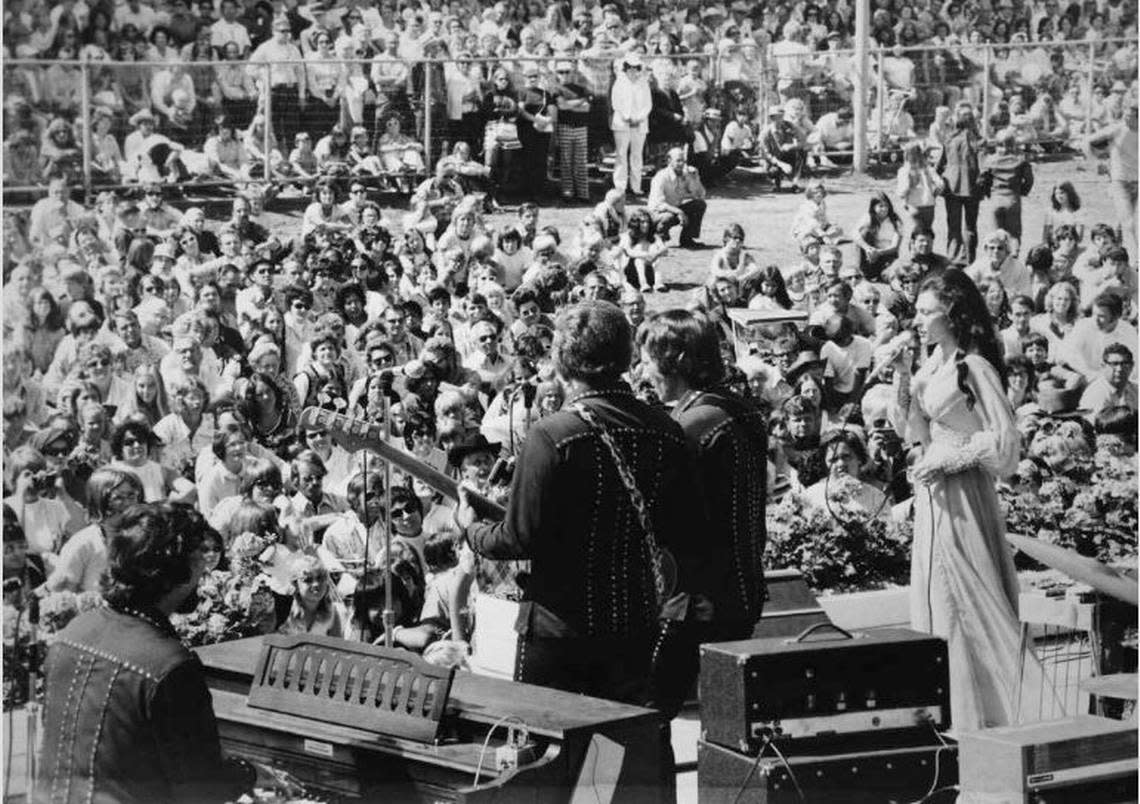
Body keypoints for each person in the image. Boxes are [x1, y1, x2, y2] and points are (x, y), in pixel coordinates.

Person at [455, 301, 699, 706]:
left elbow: (517, 540)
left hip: (559, 630)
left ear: (562, 360)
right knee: (628, 750)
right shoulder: (667, 431)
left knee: (545, 752)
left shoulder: (551, 434)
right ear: (625, 355)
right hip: (634, 622)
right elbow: (680, 531)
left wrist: (471, 528)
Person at [38, 503, 250, 803]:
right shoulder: (171, 665)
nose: (205, 568)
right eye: (199, 556)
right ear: (175, 570)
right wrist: (247, 774)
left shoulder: (72, 633)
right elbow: (201, 792)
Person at [888, 270, 1025, 732]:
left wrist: (951, 461)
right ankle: (950, 716)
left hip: (964, 493)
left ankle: (992, 717)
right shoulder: (932, 367)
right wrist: (902, 378)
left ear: (953, 315)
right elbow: (915, 432)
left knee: (969, 596)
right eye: (918, 311)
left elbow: (1004, 445)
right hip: (933, 496)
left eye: (929, 312)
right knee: (940, 598)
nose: (919, 320)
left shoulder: (975, 367)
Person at [636, 308, 767, 715]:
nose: (642, 370)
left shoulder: (690, 426)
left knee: (651, 713)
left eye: (646, 358)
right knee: (727, 718)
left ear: (674, 360)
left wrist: (702, 592)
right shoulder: (741, 409)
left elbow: (687, 522)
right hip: (740, 590)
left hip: (699, 601)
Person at [1083, 93, 1138, 257]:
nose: (1126, 117)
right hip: (1120, 182)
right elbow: (1086, 141)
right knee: (1128, 222)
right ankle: (1135, 258)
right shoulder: (1117, 129)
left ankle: (1120, 252)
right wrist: (1096, 162)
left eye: (1131, 115)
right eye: (1125, 113)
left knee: (1131, 222)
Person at [937, 101, 984, 264]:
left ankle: (953, 259)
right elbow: (985, 167)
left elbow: (940, 163)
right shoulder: (979, 140)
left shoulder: (949, 139)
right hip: (973, 187)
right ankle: (971, 260)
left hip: (951, 186)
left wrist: (937, 179)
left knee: (953, 226)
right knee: (971, 227)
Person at [610, 52, 652, 197]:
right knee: (621, 155)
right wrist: (627, 117)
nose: (633, 71)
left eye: (636, 68)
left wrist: (638, 118)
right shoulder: (619, 83)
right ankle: (620, 187)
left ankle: (636, 187)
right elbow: (616, 104)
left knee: (637, 155)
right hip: (622, 123)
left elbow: (648, 105)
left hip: (640, 124)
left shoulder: (644, 83)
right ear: (625, 68)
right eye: (630, 68)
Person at [647, 147, 707, 249]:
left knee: (699, 205)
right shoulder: (661, 177)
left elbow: (700, 195)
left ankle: (687, 239)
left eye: (683, 161)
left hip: (674, 210)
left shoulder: (685, 175)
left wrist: (695, 178)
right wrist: (679, 212)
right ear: (669, 161)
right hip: (657, 214)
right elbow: (658, 204)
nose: (682, 164)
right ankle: (658, 240)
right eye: (678, 161)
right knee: (667, 217)